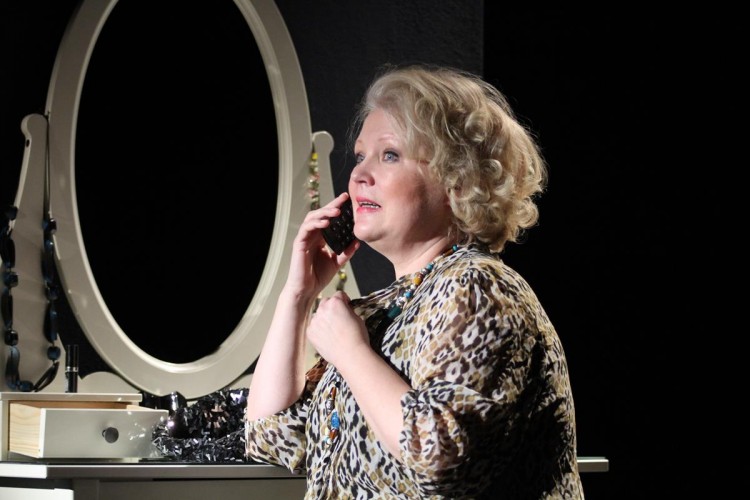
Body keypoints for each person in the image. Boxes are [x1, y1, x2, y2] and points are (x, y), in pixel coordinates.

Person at [245, 63, 584, 499]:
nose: (360, 175)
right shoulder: (385, 309)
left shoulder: (481, 290)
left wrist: (350, 352)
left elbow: (440, 457)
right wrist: (298, 295)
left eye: (389, 155)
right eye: (361, 155)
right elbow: (271, 436)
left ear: (457, 181)